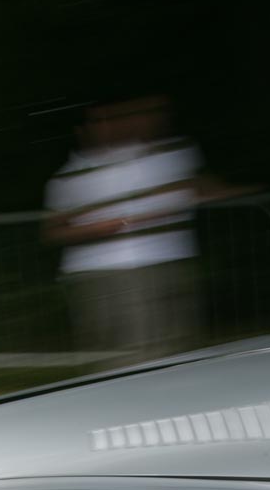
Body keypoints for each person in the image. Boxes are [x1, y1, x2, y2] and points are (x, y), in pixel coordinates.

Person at [44, 96, 204, 359]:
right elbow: (51, 231)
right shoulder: (67, 176)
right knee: (126, 354)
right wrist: (100, 228)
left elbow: (192, 187)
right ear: (83, 130)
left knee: (175, 349)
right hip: (103, 272)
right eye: (100, 121)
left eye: (113, 118)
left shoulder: (160, 153)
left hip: (167, 263)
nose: (110, 125)